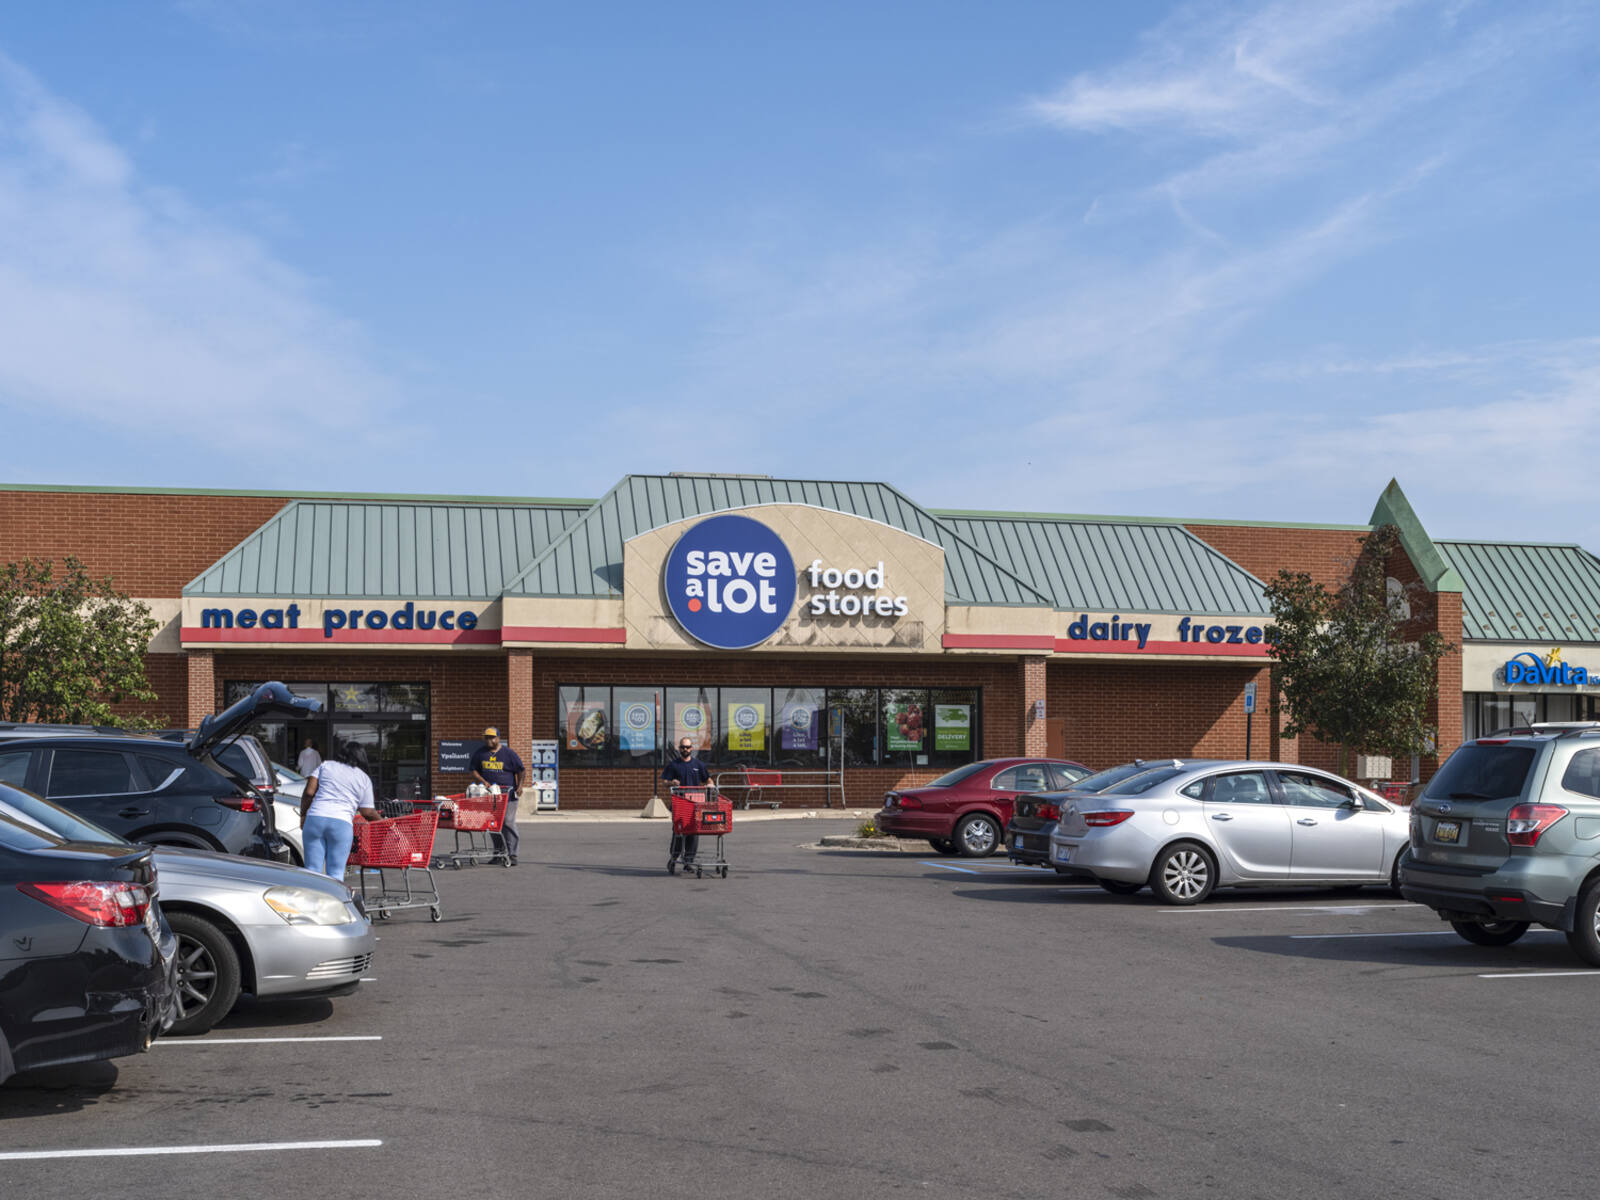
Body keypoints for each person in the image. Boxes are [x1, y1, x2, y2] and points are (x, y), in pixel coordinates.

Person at [298, 742, 380, 878]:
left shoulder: (325, 766)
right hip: (341, 823)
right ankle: (335, 899)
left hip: (315, 818)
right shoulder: (363, 778)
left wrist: (303, 816)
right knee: (335, 872)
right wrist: (386, 823)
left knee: (312, 870)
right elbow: (367, 812)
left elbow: (309, 792)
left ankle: (312, 898)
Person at [470, 726, 525, 865]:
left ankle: (512, 855)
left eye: (491, 737)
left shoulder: (508, 753)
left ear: (498, 738)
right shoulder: (480, 753)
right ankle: (499, 853)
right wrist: (484, 782)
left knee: (507, 822)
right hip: (491, 796)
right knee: (493, 824)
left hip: (508, 795)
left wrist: (520, 786)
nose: (488, 740)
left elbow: (521, 770)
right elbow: (473, 770)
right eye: (486, 738)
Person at [660, 736, 710, 866]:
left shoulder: (698, 765)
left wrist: (710, 784)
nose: (685, 749)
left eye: (687, 747)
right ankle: (674, 857)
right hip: (680, 804)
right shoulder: (674, 765)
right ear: (679, 748)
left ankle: (689, 861)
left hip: (695, 804)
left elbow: (708, 779)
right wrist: (672, 782)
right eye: (682, 747)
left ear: (691, 748)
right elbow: (665, 782)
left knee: (694, 832)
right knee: (679, 831)